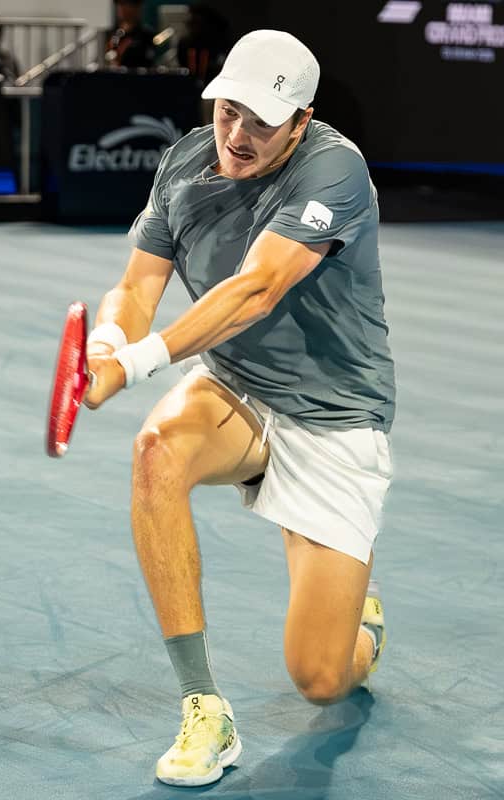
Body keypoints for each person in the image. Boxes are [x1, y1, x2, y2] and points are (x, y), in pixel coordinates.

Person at [83, 29, 394, 787]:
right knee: (156, 452)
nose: (238, 135)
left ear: (301, 120)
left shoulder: (334, 169)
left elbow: (254, 291)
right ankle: (202, 708)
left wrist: (136, 362)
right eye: (227, 111)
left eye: (261, 120)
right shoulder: (185, 159)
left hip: (334, 415)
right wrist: (105, 338)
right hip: (236, 389)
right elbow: (136, 284)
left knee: (323, 680)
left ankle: (361, 620)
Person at [175, 3, 231, 84]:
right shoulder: (185, 44)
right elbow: (184, 65)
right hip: (190, 83)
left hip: (214, 82)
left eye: (196, 22)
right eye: (191, 22)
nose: (191, 26)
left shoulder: (217, 42)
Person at [104, 0, 156, 69]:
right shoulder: (113, 34)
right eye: (120, 4)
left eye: (125, 4)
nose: (121, 8)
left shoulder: (146, 35)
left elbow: (147, 63)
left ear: (137, 8)